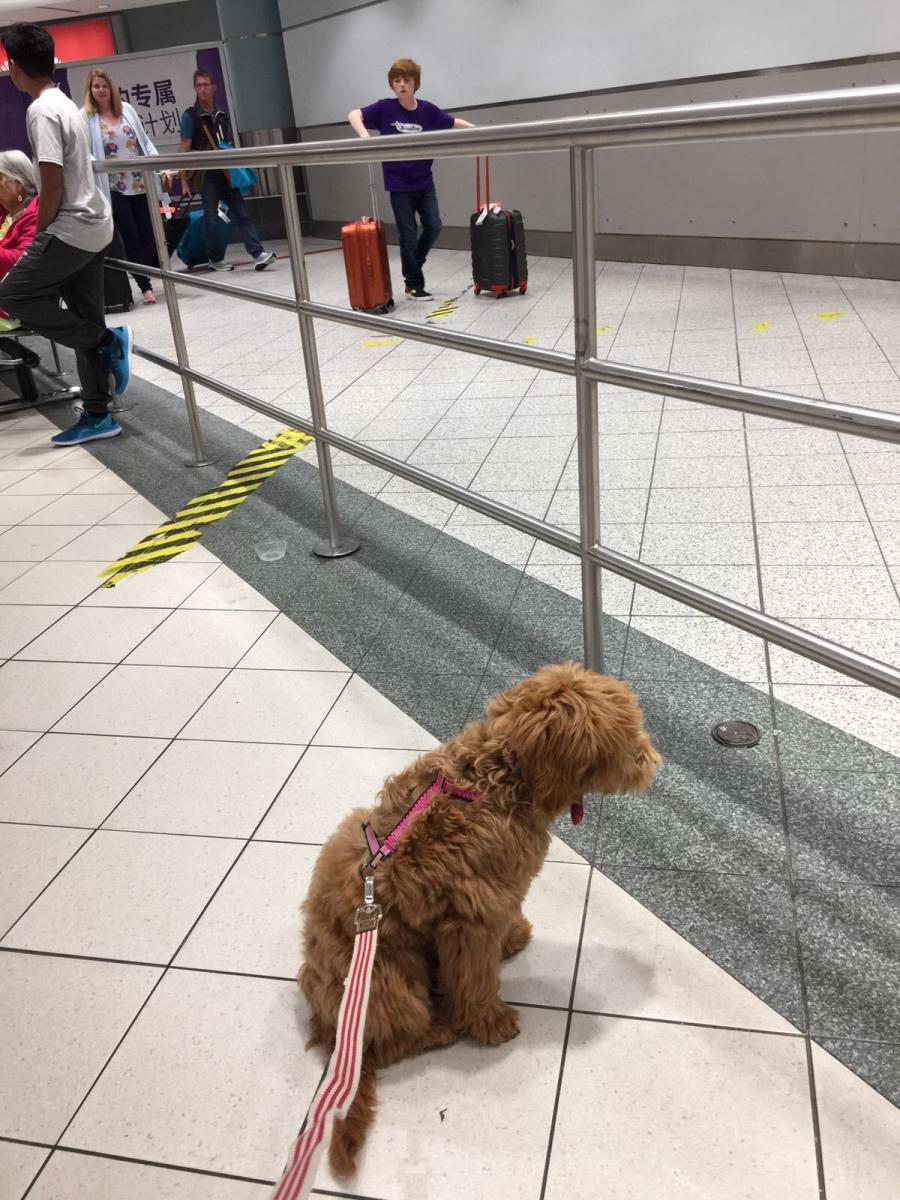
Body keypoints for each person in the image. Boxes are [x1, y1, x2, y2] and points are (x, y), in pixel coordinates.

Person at [0, 24, 131, 446]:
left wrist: (39, 236)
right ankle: (98, 414)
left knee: (12, 294)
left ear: (14, 67)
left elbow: (51, 180)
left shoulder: (40, 110)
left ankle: (109, 340)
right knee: (83, 315)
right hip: (95, 227)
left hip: (70, 227)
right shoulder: (66, 104)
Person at [349, 58, 473, 301]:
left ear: (415, 83)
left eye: (407, 80)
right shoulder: (385, 108)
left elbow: (452, 121)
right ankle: (414, 284)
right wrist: (364, 136)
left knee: (434, 225)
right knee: (408, 233)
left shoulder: (427, 110)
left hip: (424, 182)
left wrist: (479, 131)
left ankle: (413, 264)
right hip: (399, 185)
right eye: (397, 80)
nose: (402, 84)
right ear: (392, 85)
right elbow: (354, 114)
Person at [82, 67, 170, 305]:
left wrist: (161, 166)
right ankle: (145, 287)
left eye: (103, 85)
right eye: (95, 86)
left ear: (111, 87)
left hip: (140, 183)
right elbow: (85, 152)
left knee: (148, 234)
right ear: (90, 90)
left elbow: (145, 142)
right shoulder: (87, 117)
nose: (100, 90)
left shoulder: (127, 110)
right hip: (113, 187)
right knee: (130, 236)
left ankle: (151, 273)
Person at [178, 70, 274, 272]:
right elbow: (184, 148)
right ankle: (215, 259)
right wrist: (184, 180)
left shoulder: (221, 114)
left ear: (214, 87)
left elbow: (227, 143)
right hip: (206, 174)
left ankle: (258, 253)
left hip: (225, 171)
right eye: (199, 85)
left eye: (206, 85)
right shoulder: (190, 116)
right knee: (211, 218)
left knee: (242, 212)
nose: (202, 89)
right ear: (195, 88)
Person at [0, 150, 39, 332]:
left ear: (20, 184)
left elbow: (21, 261)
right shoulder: (7, 213)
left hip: (11, 303)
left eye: (0, 180)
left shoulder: (34, 215)